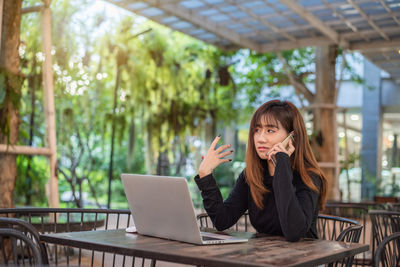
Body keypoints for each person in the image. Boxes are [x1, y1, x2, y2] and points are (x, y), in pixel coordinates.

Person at [195, 100, 327, 242]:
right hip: (264, 256)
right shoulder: (251, 175)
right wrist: (205, 175)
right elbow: (222, 220)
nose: (260, 138)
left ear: (291, 137)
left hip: (305, 258)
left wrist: (281, 163)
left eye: (270, 130)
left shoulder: (308, 176)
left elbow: (294, 232)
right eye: (257, 130)